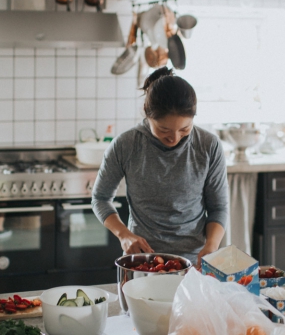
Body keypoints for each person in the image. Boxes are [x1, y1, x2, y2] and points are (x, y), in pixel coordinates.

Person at [91, 67, 229, 267]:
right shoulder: (126, 145)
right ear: (148, 115)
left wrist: (211, 246)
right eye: (164, 129)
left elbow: (218, 208)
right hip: (142, 261)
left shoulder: (209, 146)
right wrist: (124, 235)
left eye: (184, 129)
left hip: (193, 262)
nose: (174, 138)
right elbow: (100, 198)